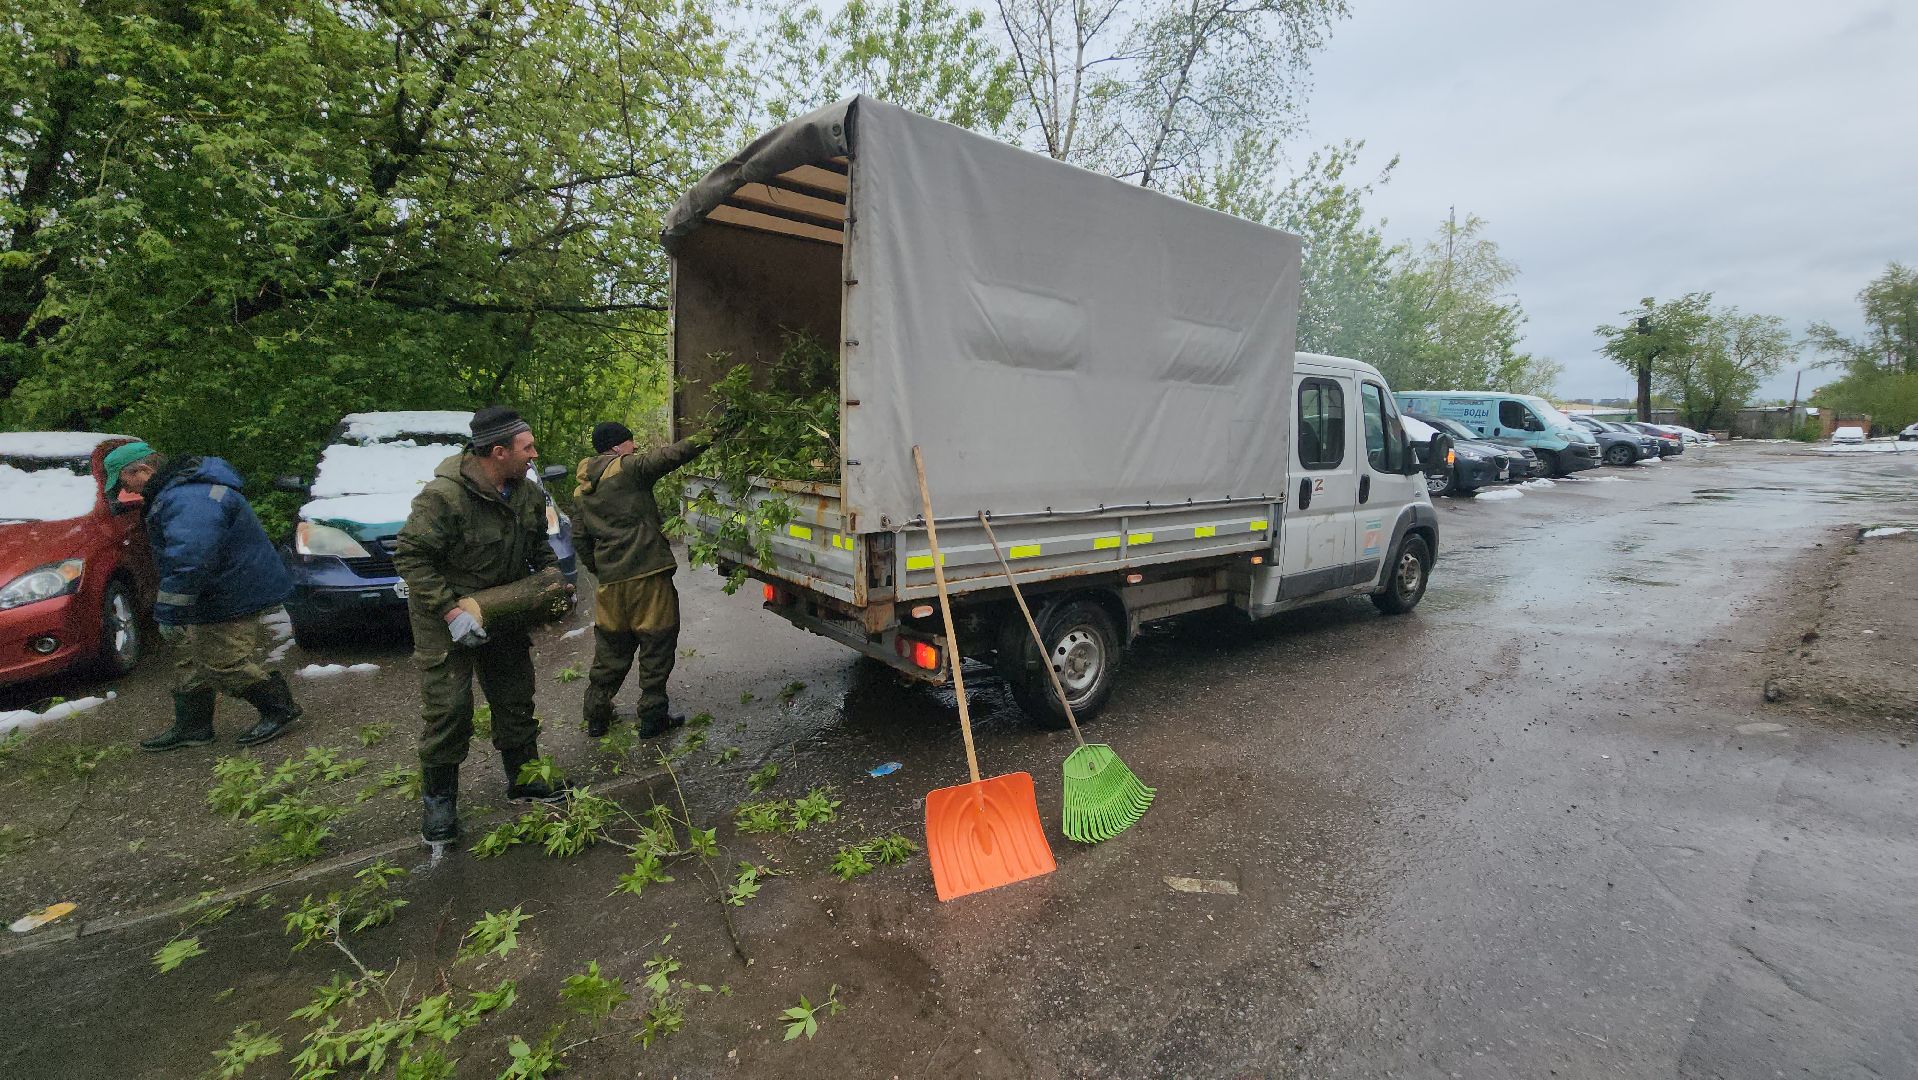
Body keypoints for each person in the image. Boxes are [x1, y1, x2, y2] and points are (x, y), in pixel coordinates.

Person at [394, 406, 566, 845]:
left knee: (514, 696)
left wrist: (551, 586)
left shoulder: (526, 493)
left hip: (502, 608)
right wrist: (452, 614)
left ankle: (525, 780)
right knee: (449, 710)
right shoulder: (444, 496)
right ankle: (439, 805)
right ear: (498, 451)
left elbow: (538, 547)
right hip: (444, 615)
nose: (534, 455)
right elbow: (411, 558)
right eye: (527, 448)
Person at [106, 442, 304, 751]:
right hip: (213, 589)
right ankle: (194, 727)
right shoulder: (181, 490)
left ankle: (279, 709)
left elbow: (190, 560)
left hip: (231, 591)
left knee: (222, 662)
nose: (124, 491)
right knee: (188, 658)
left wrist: (170, 613)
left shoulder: (189, 497)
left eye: (123, 482)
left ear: (143, 471)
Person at [573, 419, 722, 739]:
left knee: (611, 648)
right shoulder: (629, 469)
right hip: (648, 576)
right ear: (616, 447)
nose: (635, 446)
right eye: (630, 442)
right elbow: (673, 455)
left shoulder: (582, 488)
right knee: (657, 641)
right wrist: (715, 432)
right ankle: (653, 717)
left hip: (611, 583)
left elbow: (581, 540)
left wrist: (603, 570)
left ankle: (597, 715)